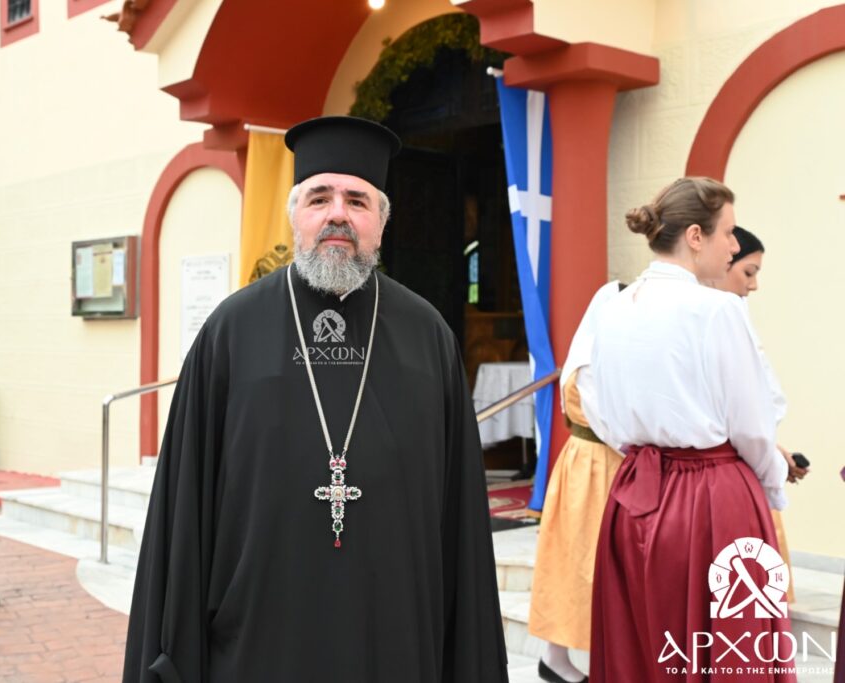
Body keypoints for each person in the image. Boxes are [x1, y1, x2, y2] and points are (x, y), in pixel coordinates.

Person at [123, 116, 508, 683]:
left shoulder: (428, 337)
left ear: (382, 222)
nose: (337, 215)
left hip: (395, 639)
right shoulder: (231, 331)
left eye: (358, 200)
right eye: (320, 197)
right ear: (295, 214)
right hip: (256, 642)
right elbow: (184, 512)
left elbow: (460, 523)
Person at [583, 178, 795, 682]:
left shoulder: (612, 308)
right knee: (731, 646)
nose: (734, 246)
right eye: (728, 232)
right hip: (714, 499)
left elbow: (598, 407)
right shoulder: (718, 309)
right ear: (696, 236)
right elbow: (751, 424)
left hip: (633, 495)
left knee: (642, 644)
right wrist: (772, 486)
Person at [527, 281, 624, 683]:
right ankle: (566, 657)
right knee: (582, 561)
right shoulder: (589, 364)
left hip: (596, 464)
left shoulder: (599, 355)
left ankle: (559, 657)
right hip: (596, 467)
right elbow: (615, 428)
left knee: (581, 558)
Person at [713, 226, 809, 602]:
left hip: (749, 459)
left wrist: (773, 450)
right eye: (748, 272)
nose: (753, 285)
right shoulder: (711, 320)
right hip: (728, 474)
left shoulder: (734, 315)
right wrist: (769, 458)